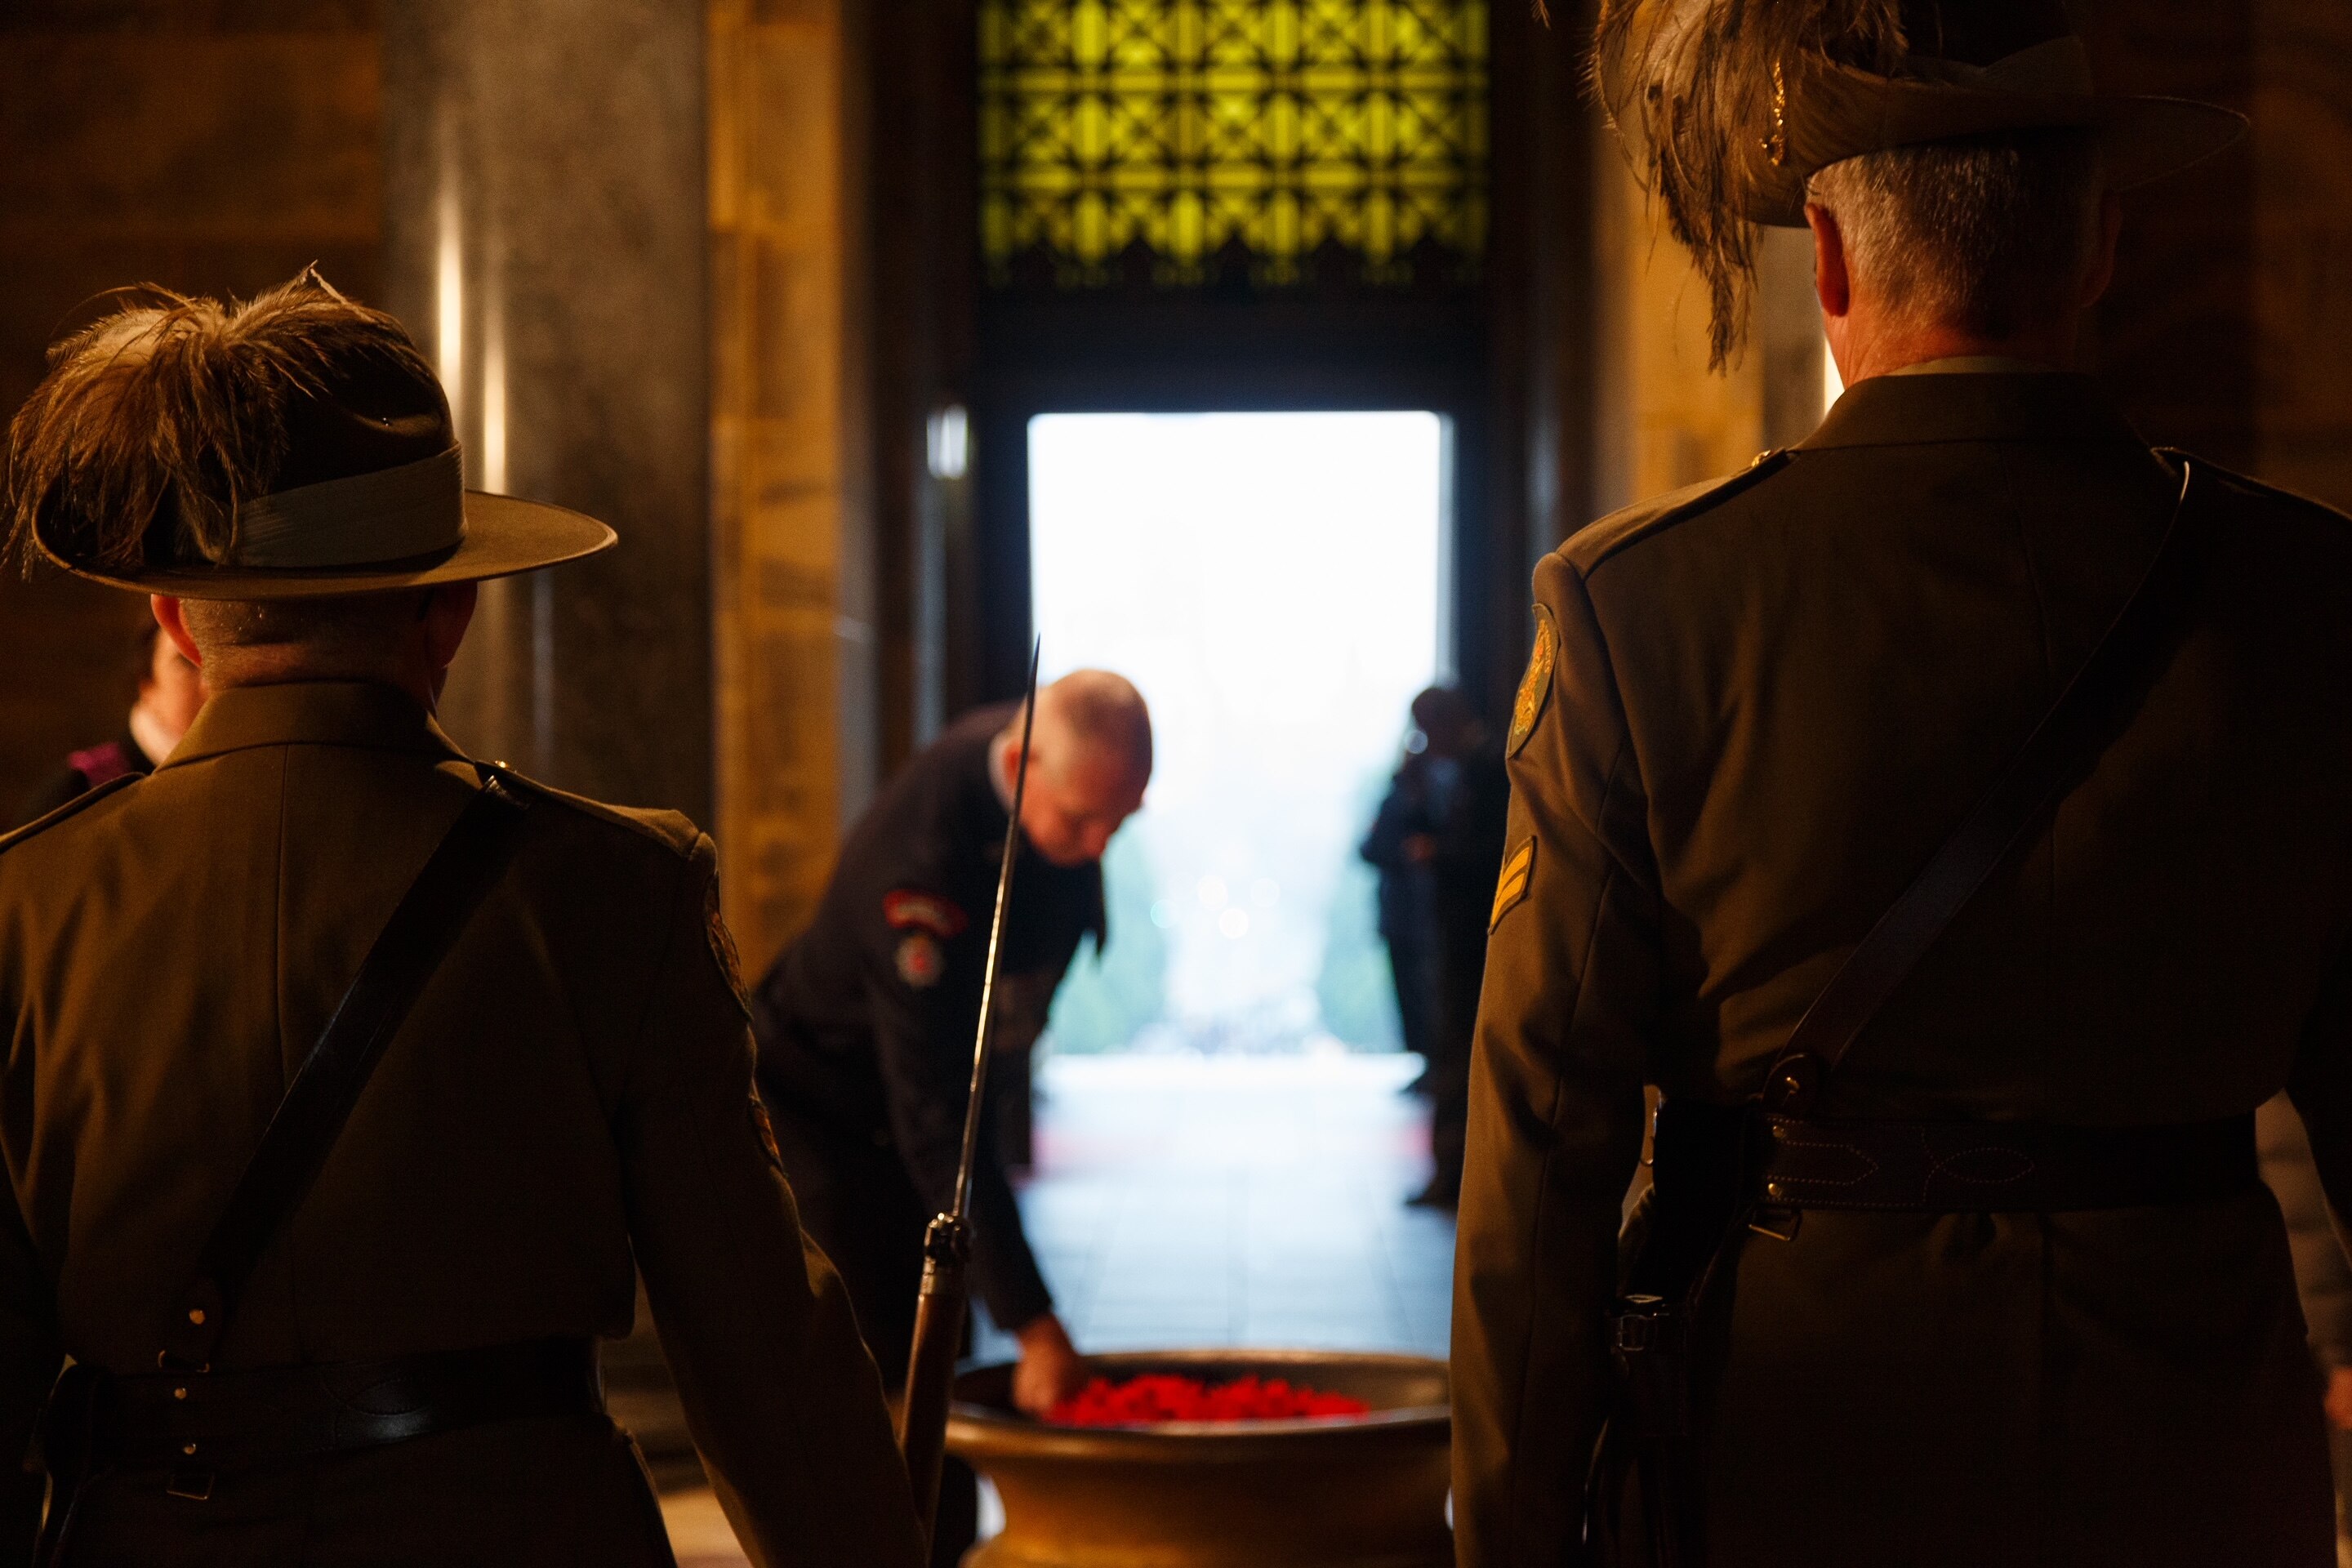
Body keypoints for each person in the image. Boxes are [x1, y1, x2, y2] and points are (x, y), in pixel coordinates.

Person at [1451, 2, 2352, 1564]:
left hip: (1797, 1432)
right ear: (2101, 254)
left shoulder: (1646, 607)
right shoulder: (2309, 595)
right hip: (2198, 1423)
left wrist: (1515, 1533)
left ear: (1831, 261)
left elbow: (1544, 1145)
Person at [0, 274, 924, 1566]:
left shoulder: (25, 906)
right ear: (452, 607)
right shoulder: (618, 888)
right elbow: (756, 1342)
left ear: (176, 619)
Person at [751, 670, 1151, 1568]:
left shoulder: (1048, 801)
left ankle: (943, 1544)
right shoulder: (921, 867)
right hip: (826, 1111)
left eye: (1121, 823)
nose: (1098, 848)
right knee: (883, 1364)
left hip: (916, 1109)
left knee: (949, 1355)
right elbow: (937, 1115)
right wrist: (1039, 1325)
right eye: (1084, 821)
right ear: (1022, 763)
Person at [1401, 687, 1508, 1209]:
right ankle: (1449, 1173)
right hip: (1449, 936)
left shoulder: (1491, 770)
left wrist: (1440, 854)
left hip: (1474, 938)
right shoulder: (1440, 775)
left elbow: (1497, 852)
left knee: (1458, 1058)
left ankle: (1456, 1175)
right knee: (1449, 1055)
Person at [11, 624, 207, 827]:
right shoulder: (77, 797)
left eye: (217, 664)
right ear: (146, 683)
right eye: (187, 661)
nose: (209, 682)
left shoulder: (233, 777)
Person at [1359, 730, 1441, 1087]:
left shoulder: (1445, 793)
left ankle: (1436, 1063)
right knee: (1413, 996)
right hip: (1405, 915)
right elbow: (1369, 848)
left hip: (1431, 916)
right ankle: (1429, 1062)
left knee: (1431, 996)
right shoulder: (1397, 797)